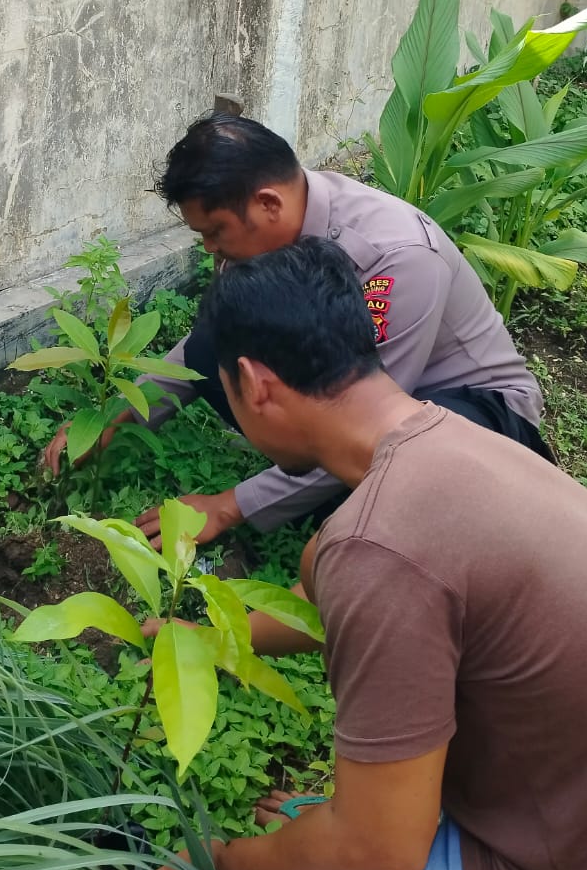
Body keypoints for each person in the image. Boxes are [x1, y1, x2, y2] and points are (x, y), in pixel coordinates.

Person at [146, 238, 587, 870]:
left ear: (254, 383)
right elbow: (318, 599)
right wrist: (205, 637)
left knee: (301, 867)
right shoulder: (452, 441)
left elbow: (376, 852)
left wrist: (226, 867)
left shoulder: (380, 547)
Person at [41, 113, 550, 548]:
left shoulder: (397, 258)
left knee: (402, 478)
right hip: (354, 401)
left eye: (216, 232)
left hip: (463, 411)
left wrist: (229, 506)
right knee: (216, 345)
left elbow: (376, 415)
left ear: (268, 203)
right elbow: (204, 350)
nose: (210, 250)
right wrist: (118, 417)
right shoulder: (262, 241)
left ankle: (351, 507)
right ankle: (325, 489)